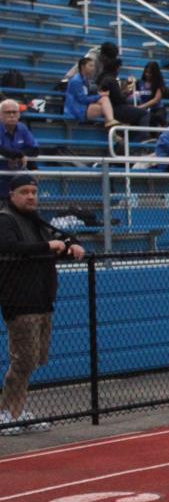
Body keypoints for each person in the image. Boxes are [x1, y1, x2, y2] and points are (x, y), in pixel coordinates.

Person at [0, 174, 86, 432]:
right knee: (22, 360)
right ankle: (5, 412)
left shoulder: (36, 220)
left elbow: (57, 242)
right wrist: (48, 245)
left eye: (34, 192)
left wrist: (71, 245)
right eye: (24, 192)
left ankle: (17, 412)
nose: (30, 196)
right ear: (12, 195)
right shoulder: (6, 219)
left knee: (32, 361)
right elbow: (10, 247)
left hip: (42, 298)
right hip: (20, 299)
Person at [0, 101, 39, 200]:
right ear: (0, 115)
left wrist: (18, 156)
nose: (11, 115)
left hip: (16, 178)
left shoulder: (22, 128)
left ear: (19, 114)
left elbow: (34, 149)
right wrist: (18, 155)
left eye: (14, 112)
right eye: (7, 112)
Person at [63, 56, 113, 128]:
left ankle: (111, 123)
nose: (93, 68)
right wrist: (99, 95)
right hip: (76, 110)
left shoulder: (85, 79)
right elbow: (82, 99)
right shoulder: (76, 81)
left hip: (83, 106)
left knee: (105, 100)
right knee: (106, 108)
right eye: (90, 66)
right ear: (83, 67)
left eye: (93, 66)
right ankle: (110, 124)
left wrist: (100, 95)